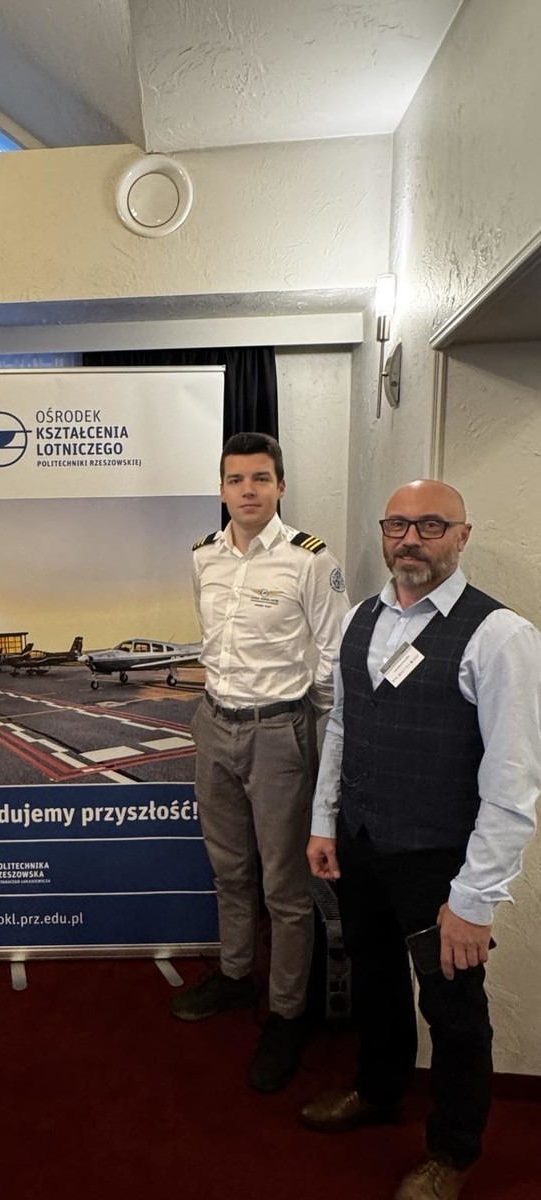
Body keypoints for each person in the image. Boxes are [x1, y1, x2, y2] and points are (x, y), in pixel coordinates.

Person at [303, 480, 541, 1200]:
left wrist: (476, 899)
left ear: (462, 537)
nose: (410, 539)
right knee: (375, 978)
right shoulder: (362, 618)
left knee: (454, 1012)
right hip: (363, 841)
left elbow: (514, 783)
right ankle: (380, 1089)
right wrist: (325, 822)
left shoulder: (500, 636)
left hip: (441, 860)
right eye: (398, 525)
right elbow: (343, 726)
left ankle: (452, 1153)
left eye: (431, 525)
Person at [170, 431, 349, 1092]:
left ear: (280, 487)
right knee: (229, 869)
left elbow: (334, 654)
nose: (248, 490)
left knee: (286, 887)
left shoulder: (310, 560)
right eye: (236, 479)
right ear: (221, 489)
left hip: (279, 732)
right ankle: (236, 974)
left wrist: (316, 727)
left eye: (261, 478)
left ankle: (286, 1014)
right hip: (215, 723)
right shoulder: (204, 557)